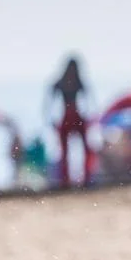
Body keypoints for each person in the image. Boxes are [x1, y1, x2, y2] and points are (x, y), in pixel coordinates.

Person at [49, 57, 95, 187]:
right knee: (65, 151)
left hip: (75, 117)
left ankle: (85, 177)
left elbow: (89, 102)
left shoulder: (76, 82)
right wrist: (52, 120)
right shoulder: (65, 83)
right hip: (69, 117)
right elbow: (50, 105)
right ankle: (66, 180)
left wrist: (89, 117)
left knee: (84, 149)